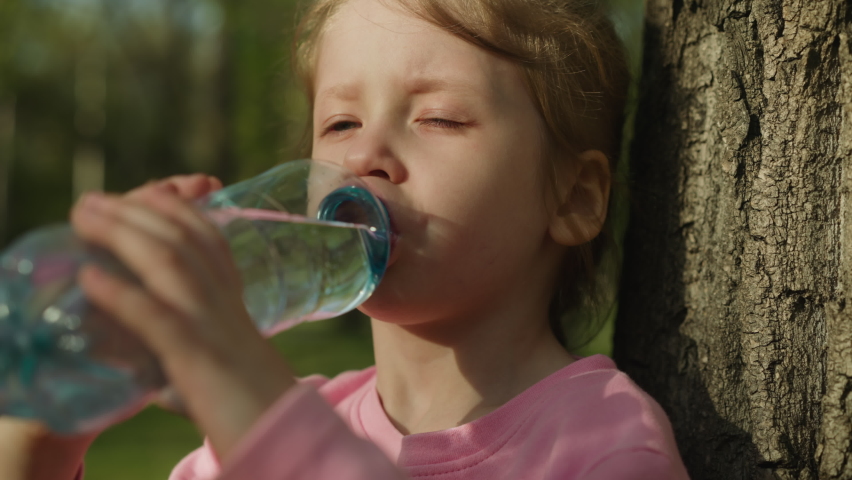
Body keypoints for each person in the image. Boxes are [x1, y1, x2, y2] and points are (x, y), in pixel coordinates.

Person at [0, 0, 691, 478]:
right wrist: (43, 437)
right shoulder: (258, 434)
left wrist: (248, 395)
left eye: (440, 118)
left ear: (571, 197)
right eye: (339, 124)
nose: (366, 156)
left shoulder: (602, 446)